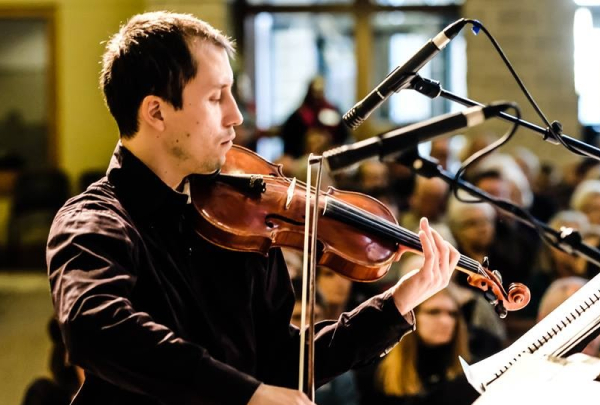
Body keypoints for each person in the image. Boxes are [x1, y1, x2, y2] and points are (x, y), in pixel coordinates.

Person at [46, 12, 461, 405]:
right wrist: (244, 395)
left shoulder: (240, 217)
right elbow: (93, 326)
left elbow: (280, 362)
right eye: (216, 98)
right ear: (156, 111)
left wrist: (396, 304)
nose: (236, 116)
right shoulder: (95, 221)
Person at [358, 288, 479, 405]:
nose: (446, 321)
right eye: (434, 312)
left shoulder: (471, 371)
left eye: (453, 314)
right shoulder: (379, 372)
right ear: (411, 317)